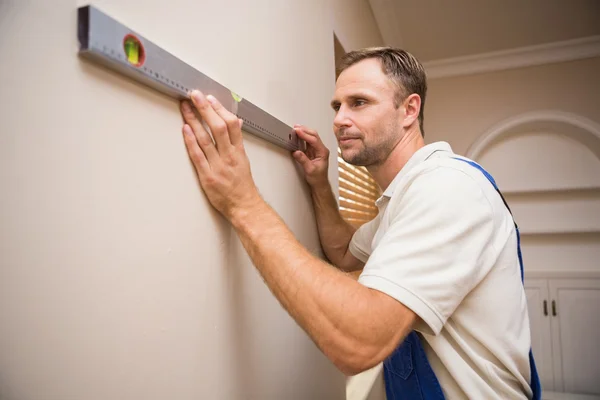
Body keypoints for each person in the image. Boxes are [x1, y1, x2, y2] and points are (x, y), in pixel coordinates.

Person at [178, 47, 540, 399]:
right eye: (337, 106)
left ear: (409, 110)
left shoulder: (447, 187)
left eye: (359, 102)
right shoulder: (401, 199)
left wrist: (244, 204)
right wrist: (320, 185)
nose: (338, 119)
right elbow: (343, 252)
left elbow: (361, 341)